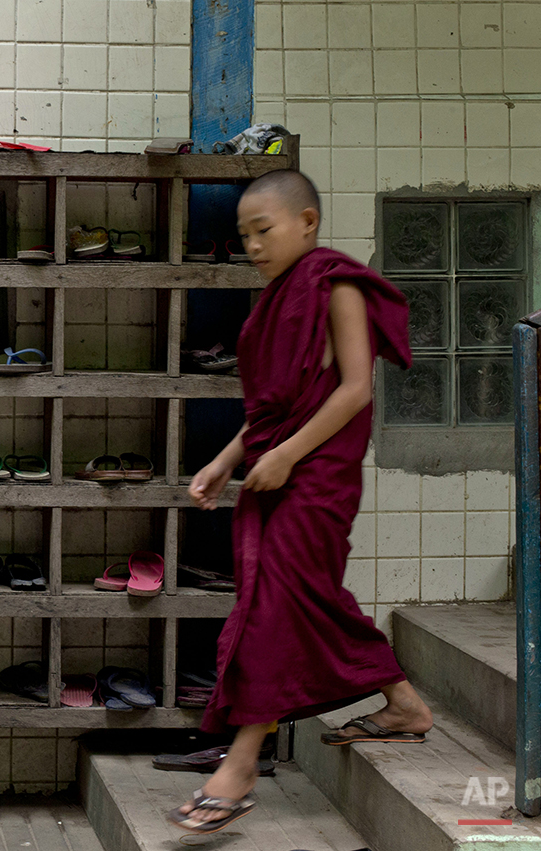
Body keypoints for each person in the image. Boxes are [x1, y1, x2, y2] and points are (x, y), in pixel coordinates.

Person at [169, 169, 434, 834]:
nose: (254, 246)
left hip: (318, 475)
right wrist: (226, 461)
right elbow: (269, 411)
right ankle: (402, 703)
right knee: (303, 597)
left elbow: (353, 390)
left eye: (265, 230)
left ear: (308, 223)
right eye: (244, 236)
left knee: (278, 602)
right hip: (272, 470)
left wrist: (287, 454)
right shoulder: (271, 304)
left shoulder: (336, 283)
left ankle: (242, 760)